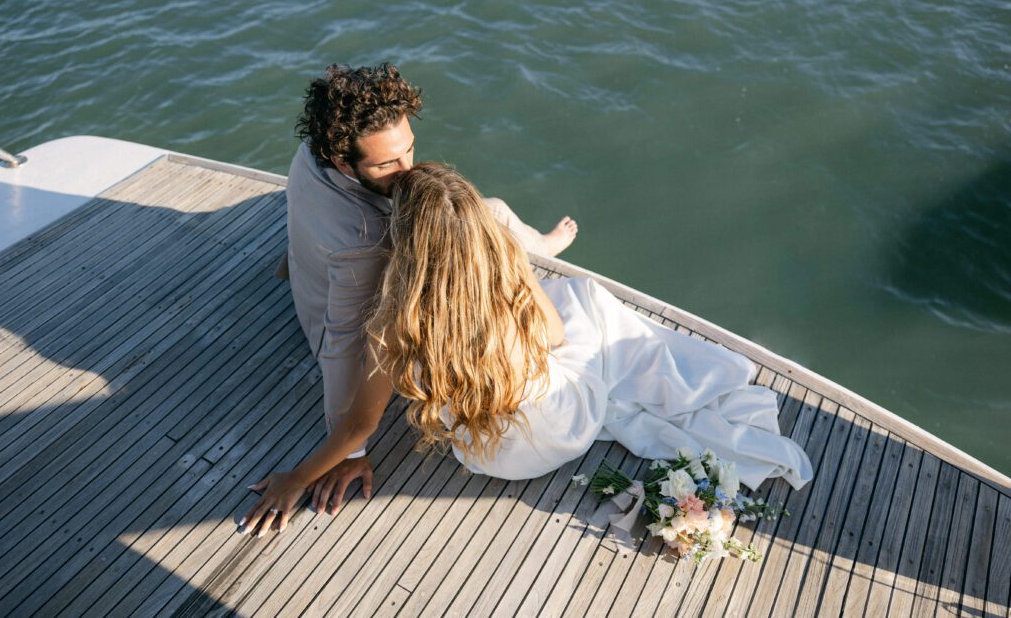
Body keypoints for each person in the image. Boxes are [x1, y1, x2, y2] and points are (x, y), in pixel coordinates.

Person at [240, 163, 813, 537]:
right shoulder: (506, 275)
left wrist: (299, 476)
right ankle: (537, 241)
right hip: (566, 424)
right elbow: (554, 337)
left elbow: (355, 424)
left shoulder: (394, 321)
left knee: (565, 309)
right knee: (583, 298)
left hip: (490, 457)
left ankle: (535, 242)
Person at [275, 64, 578, 521]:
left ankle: (541, 243)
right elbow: (342, 346)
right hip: (330, 304)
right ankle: (539, 246)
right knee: (491, 213)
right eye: (386, 164)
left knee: (490, 213)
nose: (408, 169)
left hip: (308, 266)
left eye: (409, 149)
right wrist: (350, 453)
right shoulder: (364, 249)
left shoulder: (314, 151)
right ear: (343, 162)